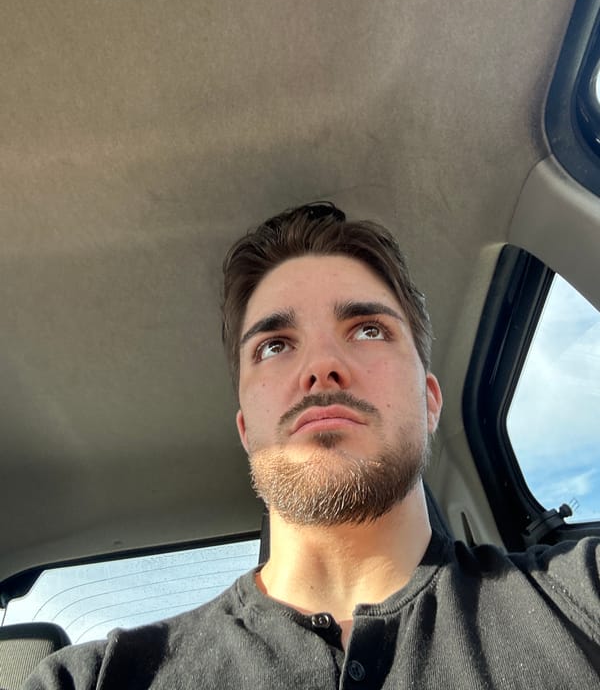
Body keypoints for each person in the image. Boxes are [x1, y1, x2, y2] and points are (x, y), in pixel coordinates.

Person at [23, 202, 600, 688]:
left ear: (430, 401)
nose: (323, 365)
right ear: (246, 430)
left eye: (368, 330)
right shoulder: (92, 680)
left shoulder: (585, 601)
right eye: (275, 345)